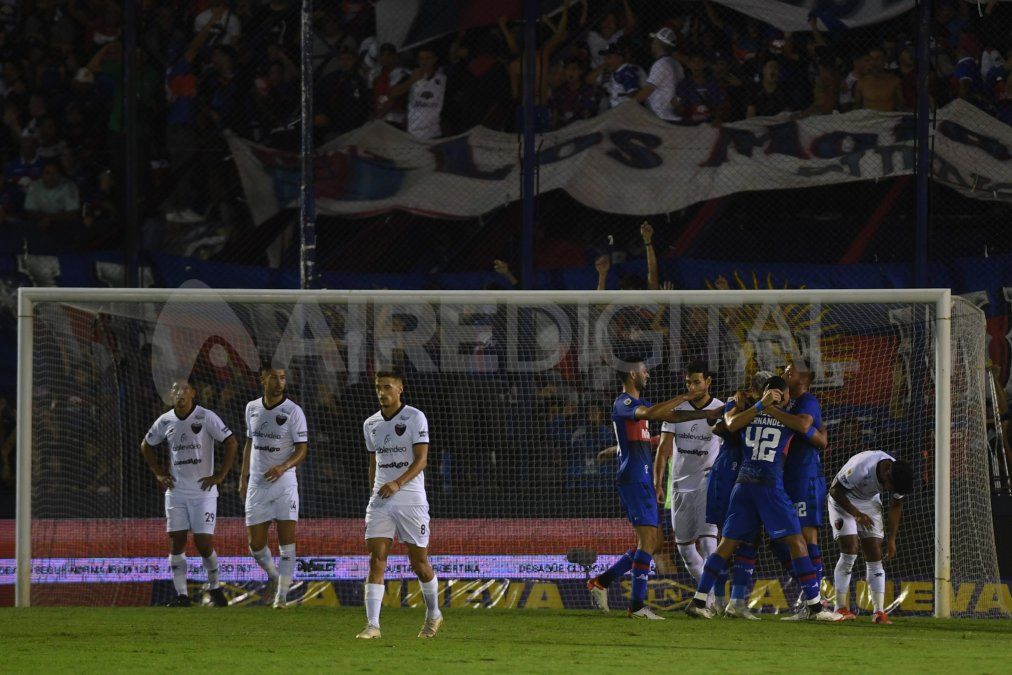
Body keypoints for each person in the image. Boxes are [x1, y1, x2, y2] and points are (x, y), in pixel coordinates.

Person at [684, 376, 838, 621]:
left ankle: (699, 600)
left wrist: (754, 406)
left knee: (727, 545)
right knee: (797, 542)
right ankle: (816, 608)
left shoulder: (748, 413)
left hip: (743, 485)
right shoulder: (789, 419)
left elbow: (724, 425)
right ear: (784, 395)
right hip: (769, 485)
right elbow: (818, 439)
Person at [587, 361, 721, 619]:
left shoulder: (643, 403)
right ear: (633, 374)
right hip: (634, 479)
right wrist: (684, 396)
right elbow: (649, 415)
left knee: (655, 542)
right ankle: (637, 607)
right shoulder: (624, 403)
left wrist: (705, 414)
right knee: (649, 542)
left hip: (644, 478)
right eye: (644, 370)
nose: (648, 374)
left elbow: (671, 418)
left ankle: (601, 582)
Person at [357, 370, 443, 639]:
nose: (382, 392)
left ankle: (433, 614)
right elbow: (374, 461)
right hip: (381, 501)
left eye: (387, 387)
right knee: (376, 559)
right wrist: (374, 491)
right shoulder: (370, 423)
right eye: (378, 388)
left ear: (400, 388)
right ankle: (373, 625)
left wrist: (397, 483)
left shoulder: (415, 417)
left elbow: (422, 460)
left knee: (419, 562)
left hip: (410, 499)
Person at [141, 378, 237, 607]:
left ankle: (214, 587)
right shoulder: (166, 421)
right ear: (171, 395)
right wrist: (158, 473)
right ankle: (181, 595)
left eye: (184, 388)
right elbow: (145, 445)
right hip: (176, 492)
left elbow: (231, 442)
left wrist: (220, 476)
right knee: (177, 542)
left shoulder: (206, 416)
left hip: (203, 491)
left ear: (193, 392)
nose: (179, 392)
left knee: (203, 543)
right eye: (175, 389)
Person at [239, 366, 309, 609]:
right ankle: (274, 575)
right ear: (263, 379)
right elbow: (250, 442)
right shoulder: (251, 408)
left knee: (286, 541)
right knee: (255, 545)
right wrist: (243, 477)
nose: (280, 382)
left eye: (282, 378)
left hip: (284, 483)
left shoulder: (293, 411)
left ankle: (281, 597)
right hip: (257, 484)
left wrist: (284, 466)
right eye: (274, 378)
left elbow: (302, 449)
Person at [704, 371, 770, 618]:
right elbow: (723, 426)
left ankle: (738, 602)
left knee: (751, 538)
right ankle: (718, 601)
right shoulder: (736, 400)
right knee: (725, 538)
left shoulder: (771, 409)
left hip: (753, 475)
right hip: (729, 472)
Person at [653, 361, 723, 588]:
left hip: (708, 482)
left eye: (696, 382)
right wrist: (658, 483)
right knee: (684, 549)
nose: (692, 387)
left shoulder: (721, 409)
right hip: (680, 486)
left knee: (709, 542)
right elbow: (663, 449)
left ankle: (713, 599)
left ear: (708, 382)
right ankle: (708, 594)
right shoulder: (676, 413)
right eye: (688, 383)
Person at [829, 451, 913, 624]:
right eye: (890, 485)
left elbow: (896, 505)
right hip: (843, 500)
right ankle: (840, 608)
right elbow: (835, 491)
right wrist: (856, 514)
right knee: (850, 550)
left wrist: (891, 540)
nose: (890, 489)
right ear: (886, 471)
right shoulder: (862, 466)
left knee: (875, 553)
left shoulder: (898, 474)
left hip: (868, 502)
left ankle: (879, 612)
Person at [771, 362, 830, 605]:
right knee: (778, 540)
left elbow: (805, 425)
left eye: (789, 372)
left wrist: (769, 410)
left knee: (806, 537)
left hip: (806, 476)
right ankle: (812, 594)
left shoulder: (807, 401)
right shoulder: (789, 403)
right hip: (785, 477)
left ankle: (815, 601)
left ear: (802, 380)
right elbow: (817, 434)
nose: (784, 374)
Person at [635, 27, 683, 122]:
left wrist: (627, 105)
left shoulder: (661, 64)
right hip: (671, 114)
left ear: (659, 45)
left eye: (654, 42)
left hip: (662, 117)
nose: (652, 45)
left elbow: (647, 90)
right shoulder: (676, 63)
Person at [854, 47, 903, 112]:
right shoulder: (861, 82)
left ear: (885, 60)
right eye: (871, 58)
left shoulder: (894, 81)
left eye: (878, 58)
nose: (874, 62)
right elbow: (856, 107)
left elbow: (901, 105)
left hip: (889, 119)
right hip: (868, 119)